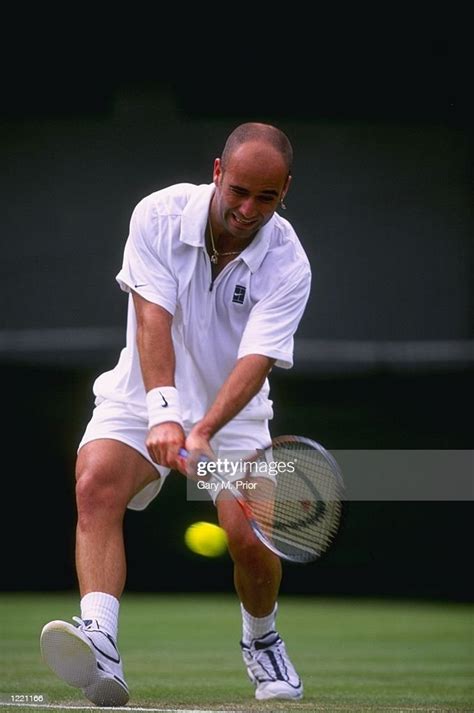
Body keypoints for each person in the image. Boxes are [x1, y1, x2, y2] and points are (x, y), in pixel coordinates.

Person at [40, 122, 312, 705]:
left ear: (285, 190)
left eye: (266, 197)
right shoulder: (158, 216)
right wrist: (164, 412)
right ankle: (101, 643)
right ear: (217, 172)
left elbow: (256, 361)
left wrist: (205, 428)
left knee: (250, 540)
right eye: (238, 190)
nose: (247, 208)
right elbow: (152, 320)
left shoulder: (290, 264)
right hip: (141, 395)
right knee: (95, 484)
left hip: (232, 417)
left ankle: (262, 641)